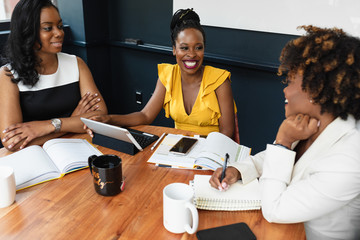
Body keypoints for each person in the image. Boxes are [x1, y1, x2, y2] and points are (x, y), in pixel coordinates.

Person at [210, 25, 360, 240]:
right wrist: (239, 169)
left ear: (316, 90)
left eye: (290, 81)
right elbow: (279, 162)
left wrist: (283, 141)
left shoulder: (350, 158)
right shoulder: (316, 123)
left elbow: (275, 210)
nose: (285, 89)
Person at [85, 8, 236, 138]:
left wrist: (199, 149)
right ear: (174, 49)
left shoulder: (219, 80)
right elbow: (145, 116)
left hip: (211, 152)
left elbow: (227, 131)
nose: (192, 54)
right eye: (184, 48)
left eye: (198, 47)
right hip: (180, 150)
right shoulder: (168, 75)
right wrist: (108, 119)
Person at [0, 0, 107, 151]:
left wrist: (50, 126)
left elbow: (100, 117)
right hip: (34, 156)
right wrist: (72, 123)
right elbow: (12, 142)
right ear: (27, 32)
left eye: (60, 26)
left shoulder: (76, 64)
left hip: (77, 147)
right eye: (48, 28)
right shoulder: (8, 75)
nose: (59, 33)